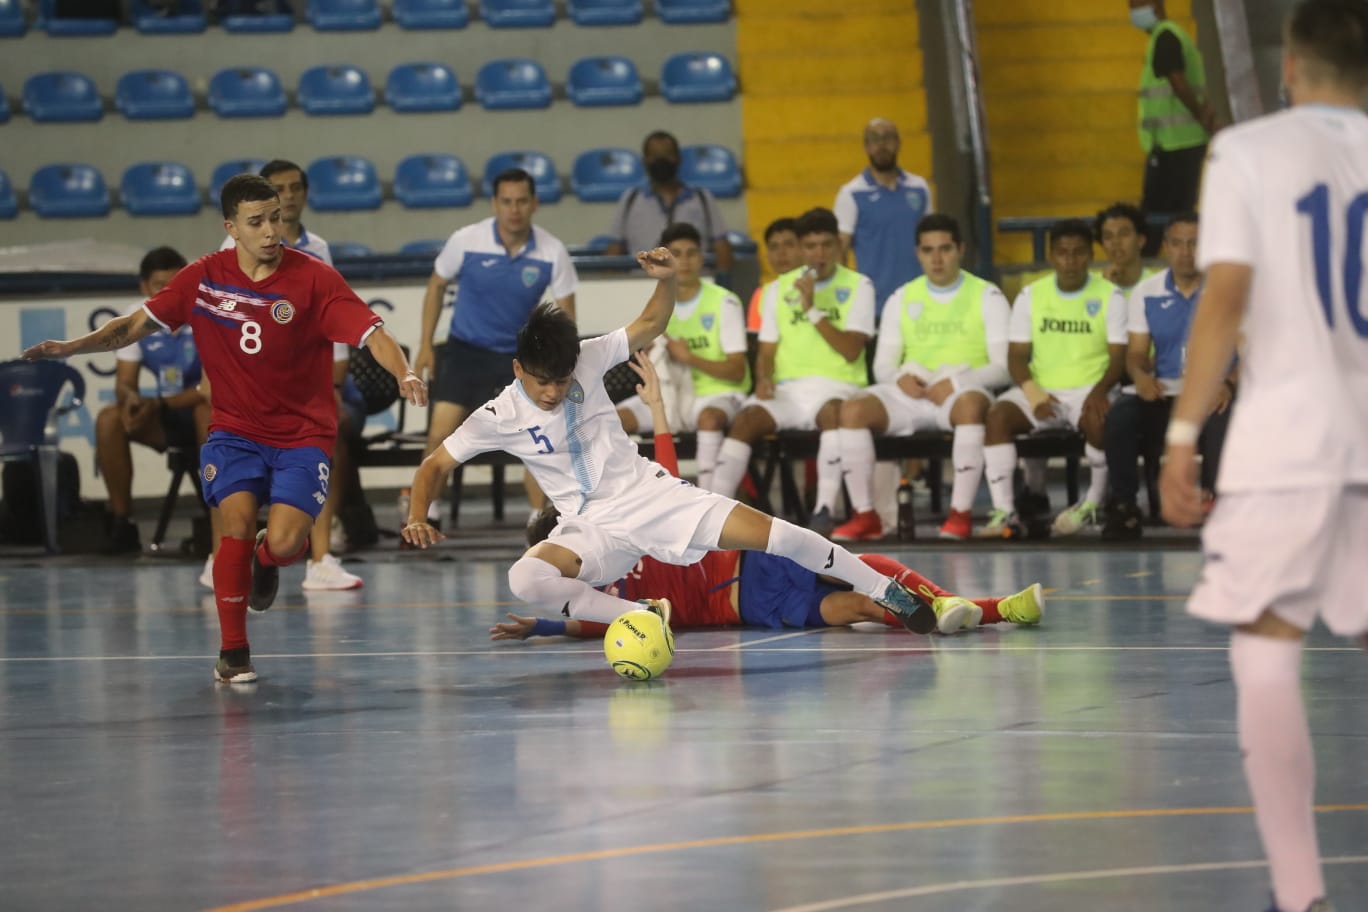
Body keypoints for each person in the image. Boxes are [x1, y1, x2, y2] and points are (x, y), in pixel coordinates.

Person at [401, 249, 957, 639]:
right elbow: (434, 464)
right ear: (519, 368)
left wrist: (667, 280)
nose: (553, 392)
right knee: (525, 577)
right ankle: (641, 617)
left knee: (783, 536)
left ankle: (888, 591)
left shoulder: (590, 358)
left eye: (562, 380)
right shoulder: (498, 414)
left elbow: (649, 323)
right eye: (541, 381)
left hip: (654, 498)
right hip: (591, 527)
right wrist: (418, 514)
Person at [23, 174, 427, 684]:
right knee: (232, 524)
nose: (270, 230)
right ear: (230, 227)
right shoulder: (203, 279)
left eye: (276, 218)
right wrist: (71, 348)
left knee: (283, 545)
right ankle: (233, 651)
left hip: (303, 435)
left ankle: (267, 558)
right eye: (256, 221)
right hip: (234, 432)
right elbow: (132, 326)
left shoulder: (315, 278)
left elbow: (374, 333)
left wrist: (405, 371)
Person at [1158, 4, 1368, 910]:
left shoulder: (1248, 150)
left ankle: (1301, 895)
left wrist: (1180, 435)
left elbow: (1225, 297)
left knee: (1269, 654)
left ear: (1290, 64)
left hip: (1292, 438)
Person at [502, 352, 1042, 640]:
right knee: (858, 606)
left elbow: (662, 480)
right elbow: (581, 623)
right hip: (755, 607)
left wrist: (660, 410)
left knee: (862, 565)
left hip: (752, 561)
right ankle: (964, 613)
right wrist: (541, 626)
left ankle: (981, 608)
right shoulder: (611, 604)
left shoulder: (617, 537)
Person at [216, 157, 361, 591]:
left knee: (333, 428)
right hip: (250, 384)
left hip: (308, 381)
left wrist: (333, 381)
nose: (291, 195)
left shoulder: (317, 249)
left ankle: (320, 557)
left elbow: (331, 317)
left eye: (296, 187)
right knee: (215, 443)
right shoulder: (231, 252)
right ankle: (222, 551)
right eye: (282, 188)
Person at [829, 214, 1011, 542]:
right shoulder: (902, 297)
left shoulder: (988, 296)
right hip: (912, 394)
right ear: (918, 253)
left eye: (945, 249)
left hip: (961, 391)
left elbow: (1003, 368)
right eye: (928, 250)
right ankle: (865, 515)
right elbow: (883, 366)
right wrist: (900, 379)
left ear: (961, 250)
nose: (937, 258)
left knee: (971, 406)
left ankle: (960, 514)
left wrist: (955, 383)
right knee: (852, 410)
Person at [412, 167, 577, 528]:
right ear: (494, 204)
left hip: (518, 359)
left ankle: (540, 521)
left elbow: (566, 317)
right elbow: (437, 284)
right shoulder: (466, 240)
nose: (514, 209)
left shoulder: (553, 252)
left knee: (539, 434)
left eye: (521, 201)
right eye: (506, 202)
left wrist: (562, 363)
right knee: (442, 431)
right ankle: (424, 515)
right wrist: (425, 345)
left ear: (533, 204)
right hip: (464, 352)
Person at [703, 208, 875, 536]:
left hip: (838, 387)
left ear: (839, 246)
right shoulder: (777, 290)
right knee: (746, 420)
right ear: (801, 248)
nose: (819, 254)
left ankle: (823, 508)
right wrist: (764, 378)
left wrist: (811, 307)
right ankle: (714, 511)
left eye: (827, 245)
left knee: (834, 414)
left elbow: (852, 349)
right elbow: (766, 350)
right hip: (789, 391)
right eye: (811, 246)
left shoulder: (858, 285)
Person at [976, 219, 1126, 538]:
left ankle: (1092, 504)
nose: (1070, 261)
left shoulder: (1110, 296)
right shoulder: (1031, 295)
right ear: (1051, 255)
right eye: (1062, 253)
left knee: (1100, 419)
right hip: (1044, 390)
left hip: (1090, 388)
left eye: (1078, 253)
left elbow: (1118, 357)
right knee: (997, 416)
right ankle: (1006, 510)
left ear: (1090, 255)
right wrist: (1033, 393)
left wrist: (1100, 392)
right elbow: (1016, 355)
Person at [1102, 212, 1231, 540]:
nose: (1186, 251)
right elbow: (1135, 354)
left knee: (1224, 415)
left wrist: (1228, 383)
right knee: (1121, 417)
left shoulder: (1227, 289)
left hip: (1214, 391)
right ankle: (1125, 506)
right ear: (1166, 247)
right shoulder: (1146, 292)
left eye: (1194, 243)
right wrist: (1141, 376)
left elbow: (1249, 353)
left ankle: (1218, 502)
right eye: (1178, 243)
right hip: (1166, 390)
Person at [615, 223, 749, 491]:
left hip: (715, 394)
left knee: (709, 419)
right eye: (676, 254)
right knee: (609, 419)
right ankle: (622, 497)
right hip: (668, 396)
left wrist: (689, 357)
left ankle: (712, 498)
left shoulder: (725, 302)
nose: (684, 261)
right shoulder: (658, 304)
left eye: (691, 253)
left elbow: (737, 371)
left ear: (702, 257)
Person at [96, 246, 201, 553]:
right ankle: (122, 522)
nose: (171, 291)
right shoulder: (135, 318)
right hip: (164, 413)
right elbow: (124, 383)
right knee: (110, 420)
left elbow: (214, 387)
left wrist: (160, 404)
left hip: (207, 411)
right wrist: (131, 400)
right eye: (160, 285)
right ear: (145, 288)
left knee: (206, 411)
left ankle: (222, 516)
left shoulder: (209, 312)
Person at [1130, 0, 1217, 254]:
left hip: (1173, 146)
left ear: (1156, 6)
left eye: (1137, 5)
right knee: (1178, 214)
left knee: (1155, 219)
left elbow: (1177, 82)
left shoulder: (1166, 36)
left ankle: (1148, 271)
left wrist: (1202, 117)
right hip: (1180, 143)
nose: (1133, 13)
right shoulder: (1169, 36)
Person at [604, 130, 734, 286]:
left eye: (667, 155)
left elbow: (723, 249)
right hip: (641, 288)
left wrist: (722, 285)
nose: (661, 161)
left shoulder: (702, 198)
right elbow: (613, 252)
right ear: (645, 161)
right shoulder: (630, 200)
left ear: (678, 159)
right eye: (654, 156)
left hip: (694, 285)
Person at [834, 118, 933, 320]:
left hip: (920, 301)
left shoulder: (920, 188)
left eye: (887, 138)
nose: (881, 145)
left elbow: (933, 241)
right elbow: (839, 253)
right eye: (874, 140)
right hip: (874, 306)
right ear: (866, 147)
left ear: (898, 143)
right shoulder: (851, 193)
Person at [747, 217, 801, 332]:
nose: (781, 253)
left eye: (789, 245)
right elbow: (756, 341)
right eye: (774, 247)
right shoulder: (761, 295)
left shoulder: (821, 287)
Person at [1094, 202, 1158, 298]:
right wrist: (1106, 287)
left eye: (1124, 234)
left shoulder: (1158, 286)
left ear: (1141, 240)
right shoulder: (1093, 286)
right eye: (1108, 236)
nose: (1115, 242)